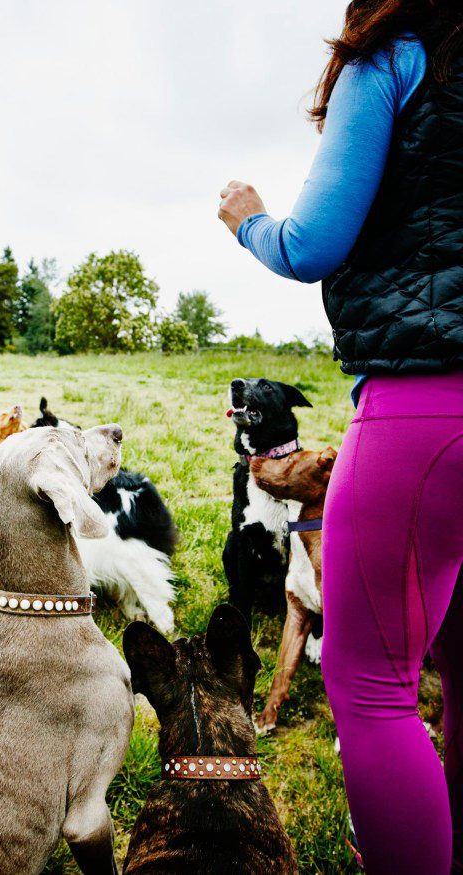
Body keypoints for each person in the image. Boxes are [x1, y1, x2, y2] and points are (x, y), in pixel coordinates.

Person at [216, 2, 463, 873]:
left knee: (368, 682)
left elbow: (311, 242)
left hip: (428, 406)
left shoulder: (396, 53)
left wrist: (248, 218)